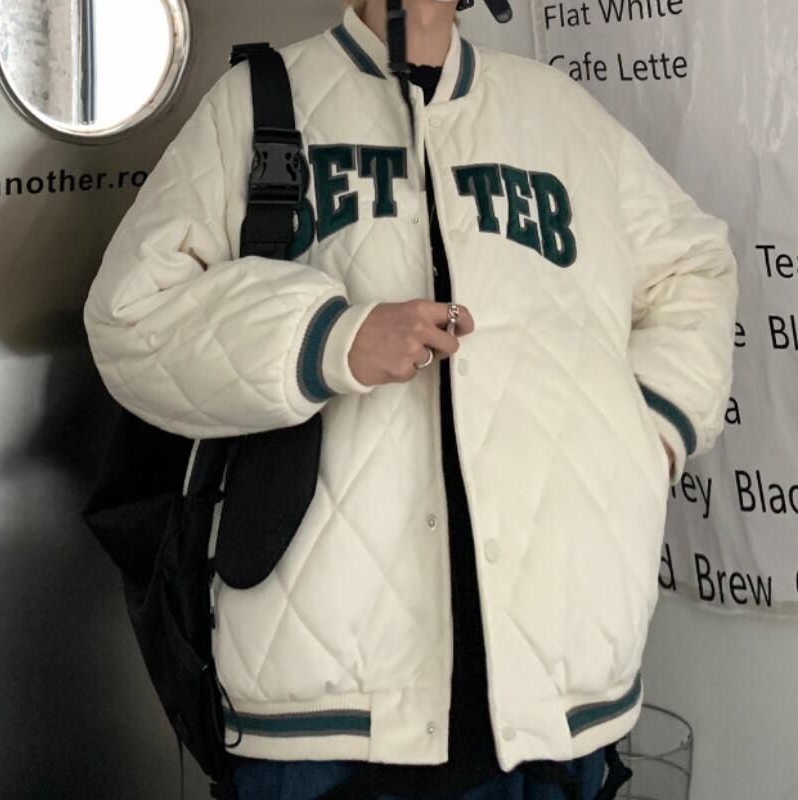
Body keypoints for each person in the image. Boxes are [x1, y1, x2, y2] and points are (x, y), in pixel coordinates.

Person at [82, 1, 738, 799]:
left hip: (556, 704)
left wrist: (648, 433)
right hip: (324, 711)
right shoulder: (258, 105)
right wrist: (327, 339)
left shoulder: (560, 115)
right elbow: (131, 316)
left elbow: (693, 270)